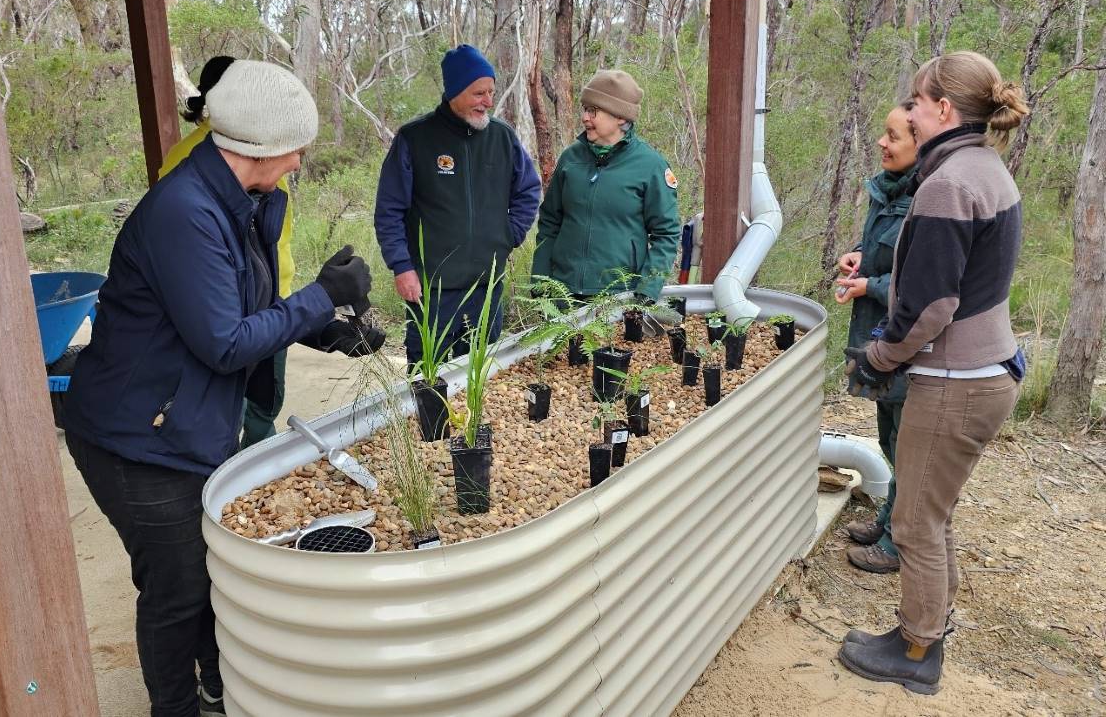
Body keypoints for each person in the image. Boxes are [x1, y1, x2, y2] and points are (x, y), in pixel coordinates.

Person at [61, 60, 378, 717]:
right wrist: (322, 295)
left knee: (204, 578)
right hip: (137, 440)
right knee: (177, 594)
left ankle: (215, 688)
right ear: (259, 148)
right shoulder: (184, 212)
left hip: (180, 423)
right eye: (294, 147)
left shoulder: (242, 204)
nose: (298, 161)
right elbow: (223, 342)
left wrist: (328, 331)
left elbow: (242, 310)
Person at [839, 51, 1028, 695]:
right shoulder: (986, 168)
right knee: (933, 513)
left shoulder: (947, 184)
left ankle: (916, 653)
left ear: (944, 109)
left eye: (916, 102)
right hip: (985, 370)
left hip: (957, 380)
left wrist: (880, 355)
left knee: (914, 521)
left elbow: (932, 305)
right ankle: (925, 629)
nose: (911, 113)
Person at [373, 43, 541, 364]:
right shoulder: (415, 138)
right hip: (431, 291)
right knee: (429, 376)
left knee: (480, 376)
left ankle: (473, 418)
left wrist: (509, 234)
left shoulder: (502, 138)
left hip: (485, 288)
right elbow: (389, 210)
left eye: (491, 92)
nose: (488, 102)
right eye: (479, 93)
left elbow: (529, 191)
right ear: (455, 91)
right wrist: (402, 266)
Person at [158, 56, 295, 448]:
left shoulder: (258, 148)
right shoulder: (187, 162)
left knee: (266, 397)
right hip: (226, 309)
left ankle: (259, 447)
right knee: (226, 401)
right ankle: (230, 469)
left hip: (272, 297)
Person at [836, 101, 918, 575]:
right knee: (888, 436)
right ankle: (888, 517)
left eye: (893, 136)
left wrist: (871, 285)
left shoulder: (930, 199)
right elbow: (884, 251)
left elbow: (925, 286)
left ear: (919, 143)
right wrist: (858, 256)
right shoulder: (886, 191)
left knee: (910, 447)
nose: (883, 143)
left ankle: (897, 541)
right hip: (879, 336)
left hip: (911, 342)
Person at [531, 70, 680, 303]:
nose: (585, 118)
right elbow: (550, 221)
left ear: (620, 117)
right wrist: (540, 280)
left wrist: (647, 289)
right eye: (585, 109)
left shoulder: (650, 166)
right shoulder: (571, 158)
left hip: (618, 297)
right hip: (562, 293)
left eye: (593, 111)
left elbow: (666, 234)